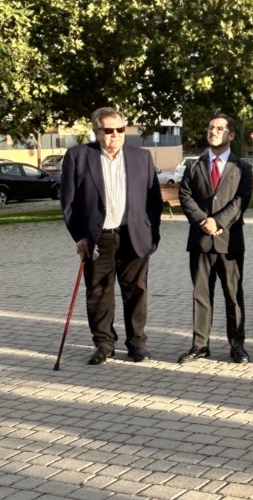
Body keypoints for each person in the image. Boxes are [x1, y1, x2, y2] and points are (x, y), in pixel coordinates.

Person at [60, 107, 163, 364]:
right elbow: (69, 202)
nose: (115, 135)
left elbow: (154, 200)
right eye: (108, 130)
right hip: (98, 238)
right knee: (98, 292)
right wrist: (79, 236)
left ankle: (137, 343)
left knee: (136, 291)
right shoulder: (78, 156)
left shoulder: (141, 157)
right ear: (97, 132)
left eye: (120, 129)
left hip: (133, 235)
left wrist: (152, 236)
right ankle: (104, 343)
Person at [177, 113, 253, 364]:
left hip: (229, 241)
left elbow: (241, 201)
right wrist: (203, 221)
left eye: (219, 128)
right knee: (201, 295)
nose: (212, 131)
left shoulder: (242, 168)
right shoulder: (193, 165)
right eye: (210, 127)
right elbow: (185, 196)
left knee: (233, 295)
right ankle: (200, 345)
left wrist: (218, 221)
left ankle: (237, 346)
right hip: (200, 240)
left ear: (230, 135)